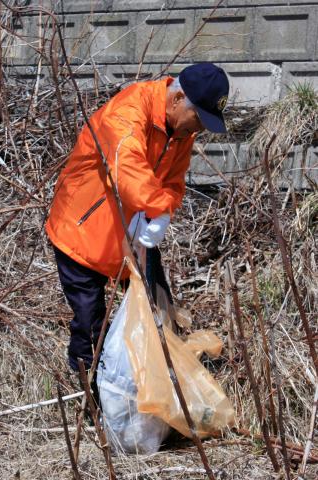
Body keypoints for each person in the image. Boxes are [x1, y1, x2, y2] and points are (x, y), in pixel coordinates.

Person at [46, 62, 229, 379]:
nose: (197, 130)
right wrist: (158, 210)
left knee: (159, 308)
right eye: (198, 118)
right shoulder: (128, 112)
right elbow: (130, 175)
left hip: (133, 234)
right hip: (83, 233)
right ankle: (91, 395)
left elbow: (174, 184)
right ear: (177, 99)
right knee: (91, 323)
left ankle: (169, 379)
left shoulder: (181, 131)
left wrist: (163, 213)